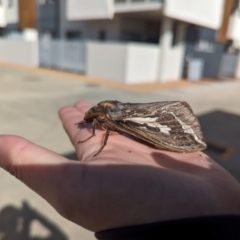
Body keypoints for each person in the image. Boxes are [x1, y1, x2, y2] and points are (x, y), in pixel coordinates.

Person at [0, 100, 240, 239]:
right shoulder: (101, 115)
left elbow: (105, 124)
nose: (93, 123)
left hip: (137, 119)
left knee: (142, 129)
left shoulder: (109, 117)